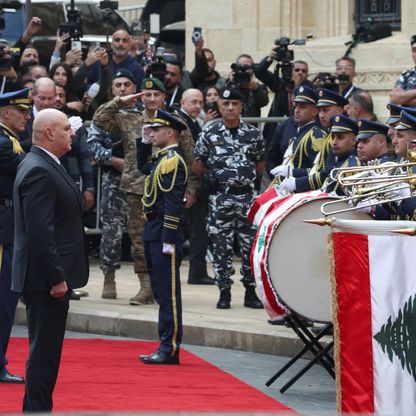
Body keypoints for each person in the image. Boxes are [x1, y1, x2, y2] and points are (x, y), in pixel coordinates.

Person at [12, 108, 89, 411]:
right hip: (45, 280)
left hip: (48, 278)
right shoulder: (38, 169)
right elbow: (40, 232)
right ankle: (36, 409)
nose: (73, 133)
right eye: (67, 128)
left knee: (46, 352)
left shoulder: (46, 163)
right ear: (49, 133)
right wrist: (57, 277)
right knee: (44, 353)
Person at [92, 74, 162, 305]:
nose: (151, 98)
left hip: (159, 187)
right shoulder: (127, 118)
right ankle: (139, 285)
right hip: (131, 185)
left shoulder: (169, 120)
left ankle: (159, 286)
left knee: (159, 237)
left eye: (127, 86)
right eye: (118, 86)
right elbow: (99, 118)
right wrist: (121, 101)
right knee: (130, 237)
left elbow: (188, 152)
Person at [193, 87, 264, 310]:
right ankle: (224, 292)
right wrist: (214, 178)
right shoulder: (209, 133)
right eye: (226, 104)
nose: (231, 108)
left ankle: (250, 293)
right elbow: (198, 164)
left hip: (246, 198)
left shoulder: (253, 134)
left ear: (241, 106)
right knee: (221, 247)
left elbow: (260, 164)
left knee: (249, 247)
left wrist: (245, 178)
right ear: (219, 107)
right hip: (220, 197)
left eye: (235, 103)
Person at [137, 110, 188, 365]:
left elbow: (173, 202)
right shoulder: (161, 158)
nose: (152, 133)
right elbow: (142, 167)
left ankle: (170, 346)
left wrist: (169, 236)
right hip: (153, 229)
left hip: (163, 231)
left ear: (170, 133)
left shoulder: (173, 161)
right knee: (160, 289)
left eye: (156, 130)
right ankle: (164, 342)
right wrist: (143, 143)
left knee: (168, 292)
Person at [0, 89, 31, 384]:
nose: (26, 116)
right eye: (21, 111)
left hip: (8, 225)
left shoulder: (9, 141)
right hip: (2, 227)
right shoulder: (2, 142)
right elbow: (22, 166)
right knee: (3, 300)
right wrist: (49, 141)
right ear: (6, 112)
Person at [175, 88, 214, 285]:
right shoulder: (180, 123)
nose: (198, 106)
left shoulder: (193, 122)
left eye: (200, 102)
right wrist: (190, 189)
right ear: (182, 103)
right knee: (192, 231)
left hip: (195, 185)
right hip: (187, 186)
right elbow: (188, 158)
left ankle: (196, 272)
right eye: (193, 102)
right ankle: (194, 273)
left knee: (198, 231)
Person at [279, 88, 346, 193]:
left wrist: (296, 180)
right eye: (320, 110)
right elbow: (317, 169)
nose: (321, 115)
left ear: (340, 110)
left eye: (326, 110)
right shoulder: (329, 135)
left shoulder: (321, 135)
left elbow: (326, 172)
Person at [270, 85, 326, 182]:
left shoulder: (316, 135)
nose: (296, 110)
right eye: (296, 106)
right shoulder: (301, 132)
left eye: (303, 107)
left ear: (314, 111)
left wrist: (292, 173)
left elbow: (319, 170)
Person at [228, 54, 269, 118]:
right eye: (241, 67)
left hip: (250, 126)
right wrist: (229, 84)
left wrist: (256, 88)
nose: (244, 71)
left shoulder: (259, 86)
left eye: (247, 68)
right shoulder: (229, 85)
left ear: (253, 69)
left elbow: (263, 103)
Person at [389, 34, 416, 107]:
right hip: (407, 117)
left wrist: (404, 98)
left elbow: (398, 100)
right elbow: (393, 98)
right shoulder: (407, 75)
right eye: (414, 50)